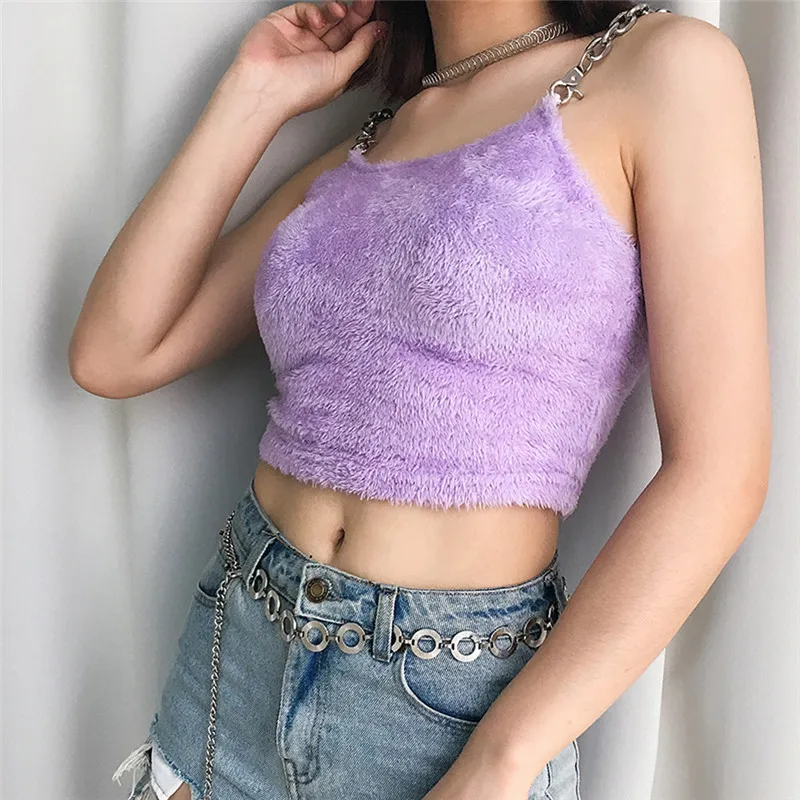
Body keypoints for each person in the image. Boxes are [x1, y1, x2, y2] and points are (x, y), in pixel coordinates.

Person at [70, 0, 770, 798]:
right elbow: (116, 352)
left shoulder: (661, 67)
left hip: (450, 712)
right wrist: (254, 95)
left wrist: (503, 759)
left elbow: (719, 473)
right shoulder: (376, 138)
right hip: (235, 661)